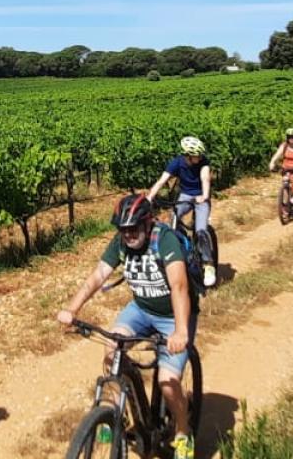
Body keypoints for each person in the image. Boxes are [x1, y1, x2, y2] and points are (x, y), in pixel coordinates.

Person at [56, 193, 199, 459]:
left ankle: (182, 432)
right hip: (141, 309)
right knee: (113, 354)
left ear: (147, 223)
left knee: (168, 381)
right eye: (123, 229)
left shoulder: (164, 240)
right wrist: (71, 310)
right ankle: (112, 419)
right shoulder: (120, 243)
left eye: (133, 228)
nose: (128, 234)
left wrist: (180, 331)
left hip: (174, 315)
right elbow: (98, 276)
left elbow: (179, 287)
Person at [147, 135, 217, 287]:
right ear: (188, 156)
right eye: (196, 155)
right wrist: (149, 198)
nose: (199, 157)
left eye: (199, 155)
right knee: (173, 220)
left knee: (200, 230)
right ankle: (180, 248)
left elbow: (205, 179)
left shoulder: (204, 162)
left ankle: (208, 264)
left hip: (200, 197)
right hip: (185, 195)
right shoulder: (177, 163)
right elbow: (161, 181)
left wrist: (204, 196)